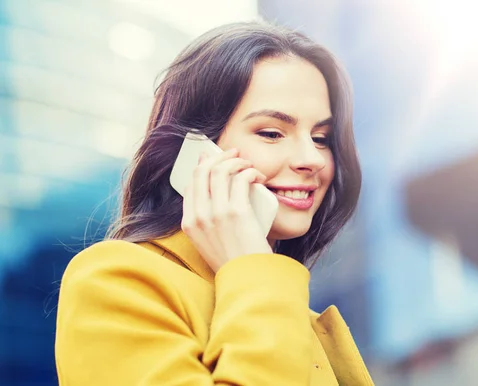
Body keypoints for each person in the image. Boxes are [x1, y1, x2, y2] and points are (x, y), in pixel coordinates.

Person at [55, 21, 373, 386]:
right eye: (271, 133)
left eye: (321, 138)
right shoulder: (115, 281)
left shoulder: (291, 312)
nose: (312, 159)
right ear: (194, 152)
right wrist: (252, 269)